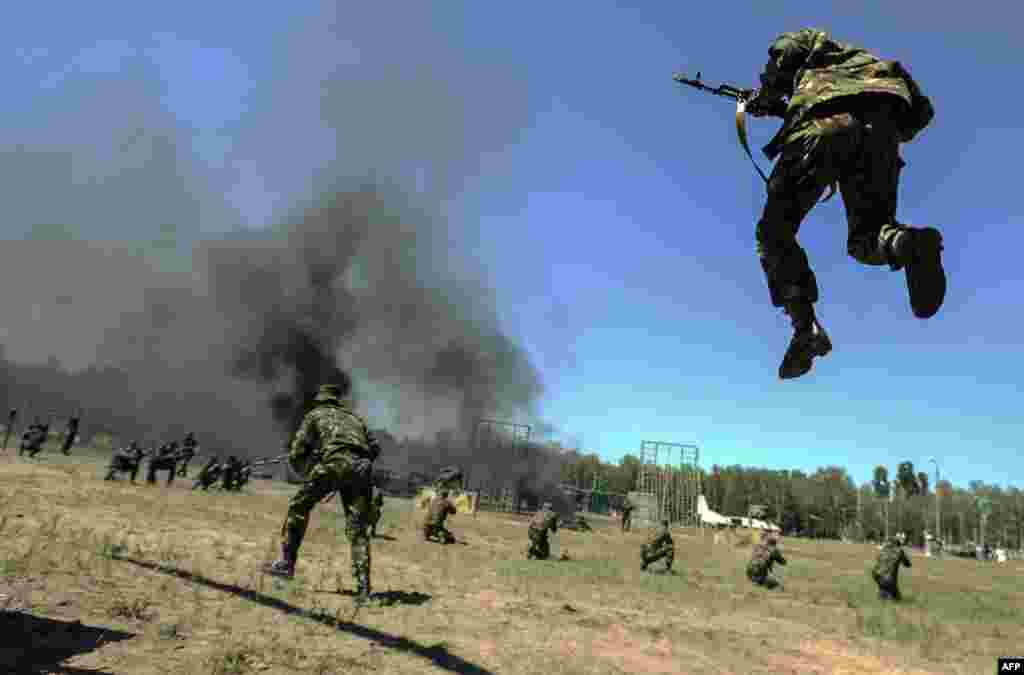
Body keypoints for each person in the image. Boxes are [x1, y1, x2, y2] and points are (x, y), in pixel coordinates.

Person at [744, 28, 943, 379]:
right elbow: (922, 112)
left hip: (827, 123)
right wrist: (785, 104)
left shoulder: (809, 38)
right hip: (883, 127)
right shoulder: (869, 63)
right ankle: (907, 243)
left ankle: (806, 329)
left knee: (774, 234)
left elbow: (787, 52)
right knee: (868, 238)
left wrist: (768, 93)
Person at [264, 384, 383, 607]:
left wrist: (312, 471)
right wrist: (353, 464)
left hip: (333, 465)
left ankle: (287, 564)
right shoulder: (356, 419)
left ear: (320, 401)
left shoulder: (314, 415)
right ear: (337, 401)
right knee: (358, 531)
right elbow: (374, 448)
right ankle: (364, 590)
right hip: (362, 469)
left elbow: (297, 453)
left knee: (299, 506)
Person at [872, 533, 911, 600]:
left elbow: (878, 560)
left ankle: (883, 592)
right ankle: (889, 593)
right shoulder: (899, 551)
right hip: (888, 579)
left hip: (876, 575)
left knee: (883, 588)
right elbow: (907, 564)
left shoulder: (883, 549)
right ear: (898, 544)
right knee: (897, 598)